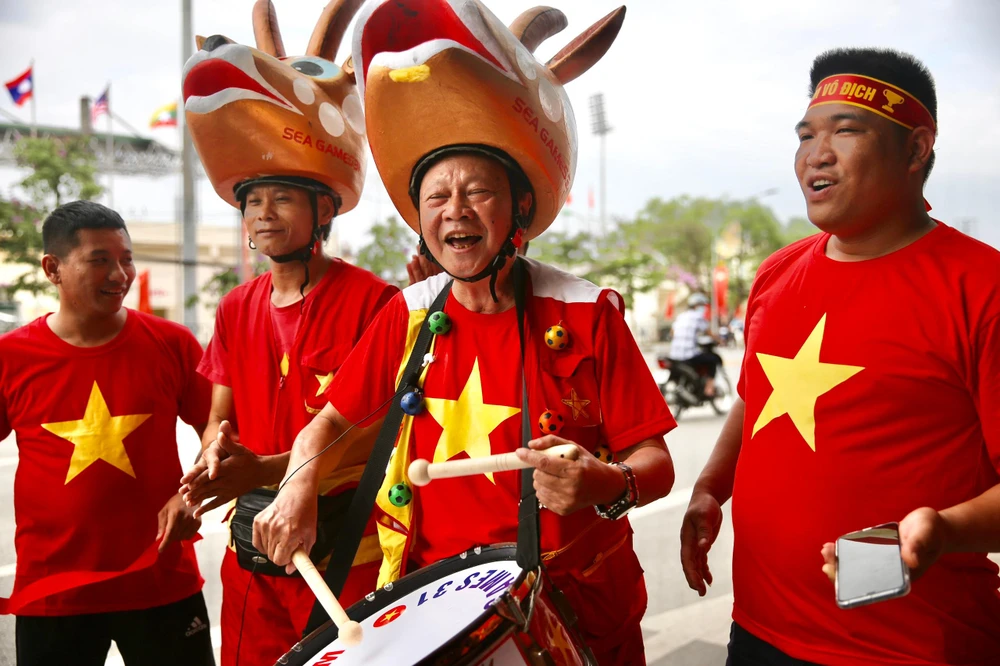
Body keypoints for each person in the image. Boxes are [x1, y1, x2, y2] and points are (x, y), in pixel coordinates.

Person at [253, 3, 677, 663]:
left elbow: (656, 463)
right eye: (435, 199)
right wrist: (297, 484)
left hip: (579, 609)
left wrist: (605, 484)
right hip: (444, 611)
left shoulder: (589, 312)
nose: (454, 212)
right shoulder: (408, 313)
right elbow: (323, 427)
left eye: (476, 191)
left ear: (521, 207)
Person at [681, 47, 1000, 665]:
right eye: (805, 135)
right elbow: (756, 395)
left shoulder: (981, 288)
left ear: (916, 149)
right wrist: (709, 488)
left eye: (845, 132)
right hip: (759, 633)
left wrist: (943, 531)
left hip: (913, 649)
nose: (814, 155)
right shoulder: (776, 273)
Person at [175, 3, 397, 664]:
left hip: (344, 552)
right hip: (251, 557)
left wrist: (265, 470)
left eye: (281, 199)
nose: (262, 216)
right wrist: (215, 457)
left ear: (323, 208)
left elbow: (369, 440)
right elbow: (220, 416)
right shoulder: (234, 306)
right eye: (251, 201)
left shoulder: (374, 302)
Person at [0, 201, 213, 666]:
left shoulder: (172, 343)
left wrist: (194, 493)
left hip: (162, 581)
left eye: (127, 259)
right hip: (52, 592)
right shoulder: (11, 356)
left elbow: (216, 431)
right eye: (100, 260)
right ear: (52, 269)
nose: (120, 274)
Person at [668, 293, 723, 396]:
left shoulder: (681, 316)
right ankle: (709, 388)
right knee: (714, 359)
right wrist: (719, 340)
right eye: (702, 305)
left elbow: (672, 333)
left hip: (674, 355)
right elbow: (709, 333)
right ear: (697, 305)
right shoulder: (698, 317)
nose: (703, 308)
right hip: (688, 355)